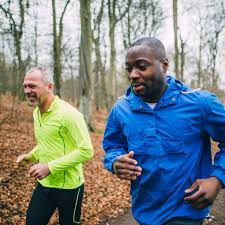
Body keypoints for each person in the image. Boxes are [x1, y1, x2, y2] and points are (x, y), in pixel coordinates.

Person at [102, 37, 225, 225]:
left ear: (164, 65)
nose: (133, 75)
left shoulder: (200, 104)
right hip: (144, 212)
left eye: (142, 66)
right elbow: (113, 146)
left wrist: (216, 180)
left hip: (186, 210)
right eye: (129, 68)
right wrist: (115, 162)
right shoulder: (121, 109)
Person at [17, 67, 94, 225]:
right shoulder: (36, 112)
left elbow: (86, 151)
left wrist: (50, 167)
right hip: (44, 185)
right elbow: (46, 142)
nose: (27, 90)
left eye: (32, 86)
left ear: (49, 86)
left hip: (70, 188)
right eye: (25, 86)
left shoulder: (69, 114)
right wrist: (31, 155)